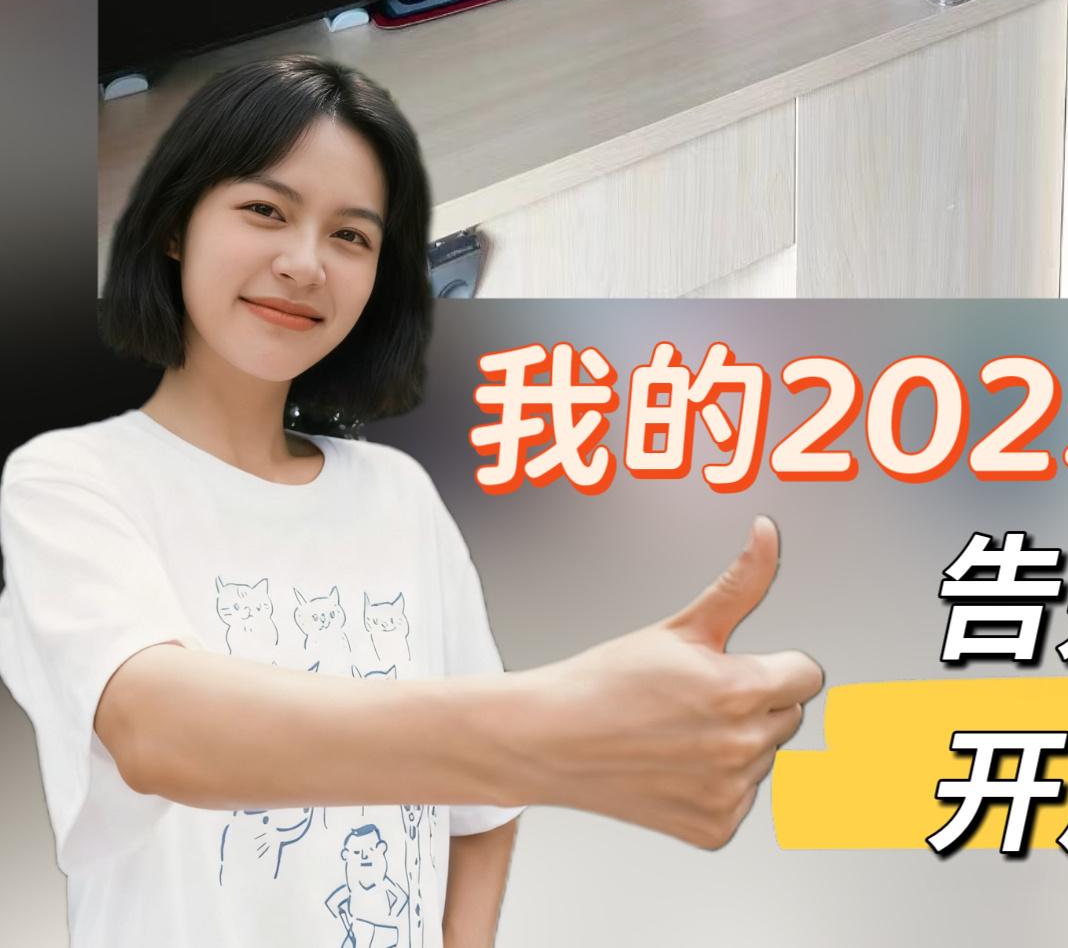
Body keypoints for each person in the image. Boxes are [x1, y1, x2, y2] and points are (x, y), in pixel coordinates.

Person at [0, 57, 822, 948]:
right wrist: (571, 720)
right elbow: (158, 733)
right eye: (265, 210)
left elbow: (483, 808)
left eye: (351, 237)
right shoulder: (71, 481)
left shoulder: (397, 496)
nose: (304, 264)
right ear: (174, 225)